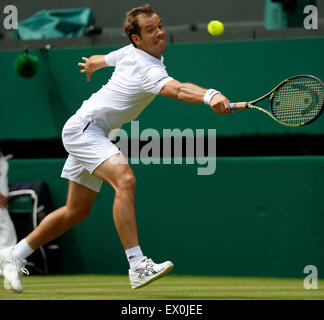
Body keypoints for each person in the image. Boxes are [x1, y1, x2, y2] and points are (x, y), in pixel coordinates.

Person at [0, 4, 231, 293]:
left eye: (159, 25)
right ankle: (137, 265)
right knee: (125, 180)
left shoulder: (130, 52)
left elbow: (104, 58)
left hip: (91, 131)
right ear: (137, 39)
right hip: (85, 130)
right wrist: (211, 95)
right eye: (151, 30)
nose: (160, 32)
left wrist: (93, 64)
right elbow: (180, 90)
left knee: (76, 210)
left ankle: (13, 254)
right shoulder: (146, 67)